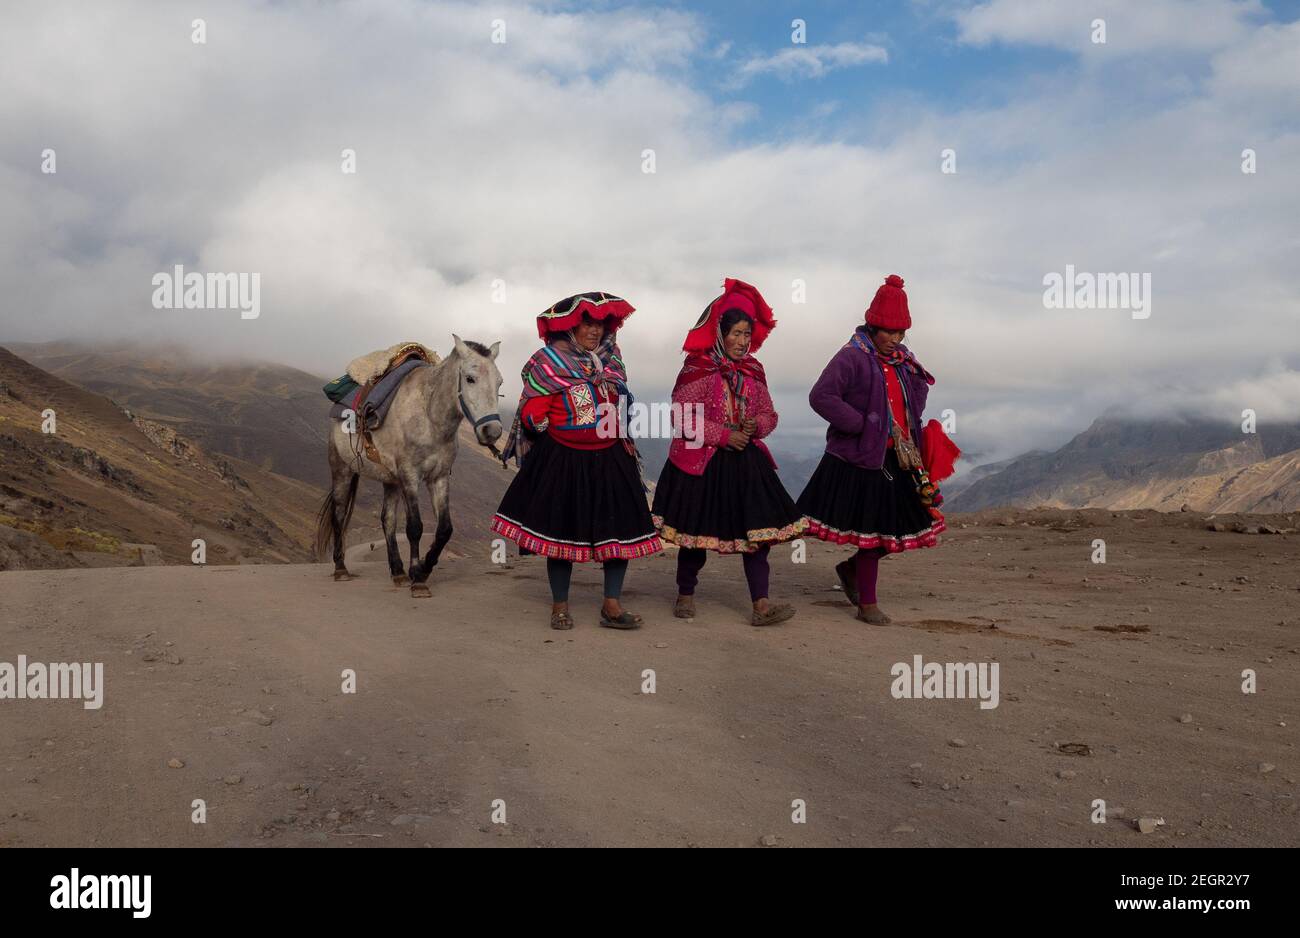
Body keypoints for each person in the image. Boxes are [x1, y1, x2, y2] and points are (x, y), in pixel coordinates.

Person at [493, 292, 662, 630]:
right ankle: (560, 606)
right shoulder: (548, 362)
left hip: (612, 456)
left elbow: (618, 401)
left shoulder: (612, 360)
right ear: (571, 326)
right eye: (587, 323)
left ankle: (611, 605)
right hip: (564, 458)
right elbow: (531, 407)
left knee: (619, 533)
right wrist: (534, 419)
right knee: (560, 534)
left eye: (599, 324)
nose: (594, 330)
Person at [652, 278, 807, 626]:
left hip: (745, 464)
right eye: (735, 333)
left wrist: (757, 427)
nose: (741, 341)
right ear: (721, 333)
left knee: (757, 537)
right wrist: (723, 435)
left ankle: (761, 605)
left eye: (746, 334)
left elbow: (769, 412)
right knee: (694, 536)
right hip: (702, 462)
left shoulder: (753, 371)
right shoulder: (699, 368)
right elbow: (680, 416)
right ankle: (685, 593)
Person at [796, 275, 947, 624]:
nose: (894, 340)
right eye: (889, 333)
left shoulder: (903, 360)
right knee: (871, 532)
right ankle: (868, 603)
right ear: (873, 325)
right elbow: (821, 397)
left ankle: (851, 571)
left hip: (899, 456)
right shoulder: (851, 358)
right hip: (861, 458)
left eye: (900, 334)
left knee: (904, 527)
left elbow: (914, 399)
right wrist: (863, 424)